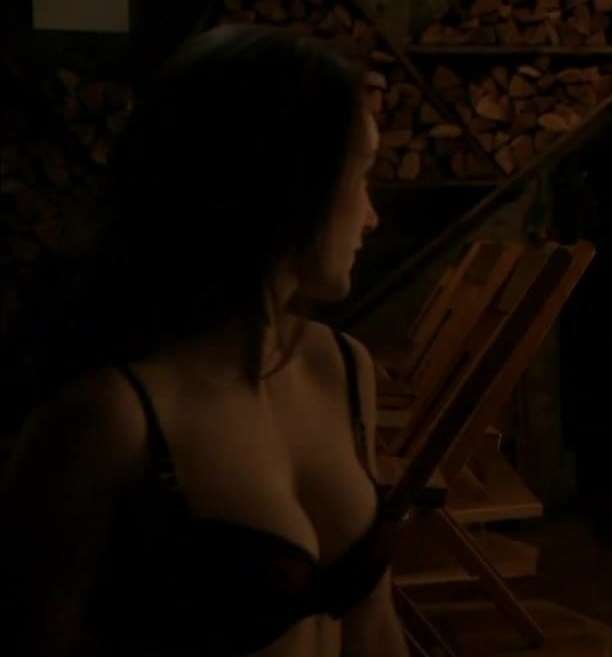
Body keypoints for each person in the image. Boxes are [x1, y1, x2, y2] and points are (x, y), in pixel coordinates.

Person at [0, 25, 408, 657]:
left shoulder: (342, 368)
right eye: (362, 175)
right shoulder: (111, 417)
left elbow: (374, 624)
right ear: (285, 181)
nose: (372, 216)